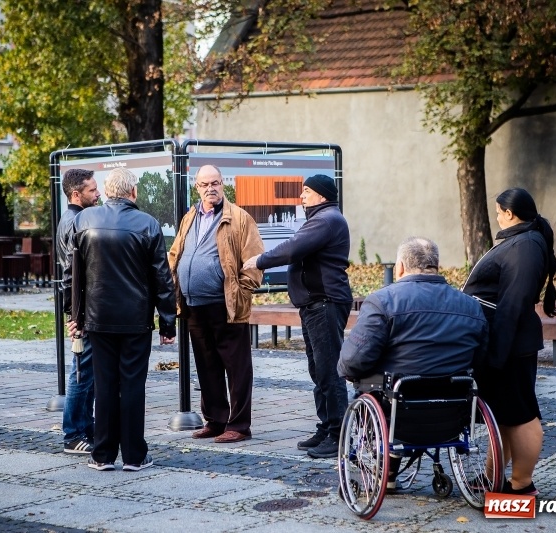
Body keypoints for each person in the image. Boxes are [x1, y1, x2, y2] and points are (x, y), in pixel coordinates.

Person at [338, 237, 488, 490]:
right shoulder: (471, 306)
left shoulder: (382, 301)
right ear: (436, 266)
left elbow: (353, 360)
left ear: (399, 267)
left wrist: (348, 372)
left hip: (397, 407)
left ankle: (386, 469)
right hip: (453, 410)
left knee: (374, 386)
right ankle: (392, 471)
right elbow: (482, 359)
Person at [64, 167, 176, 472]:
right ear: (133, 192)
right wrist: (168, 323)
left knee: (104, 385)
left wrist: (74, 316)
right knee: (132, 386)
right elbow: (162, 279)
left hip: (98, 320)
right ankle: (134, 455)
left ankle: (102, 454)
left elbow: (72, 274)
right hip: (136, 319)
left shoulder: (84, 220)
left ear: (108, 191)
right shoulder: (148, 224)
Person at [243, 174, 353, 459]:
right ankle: (327, 426)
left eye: (306, 191)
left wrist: (260, 260)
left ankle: (340, 434)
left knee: (329, 370)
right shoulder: (322, 218)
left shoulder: (327, 219)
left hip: (324, 303)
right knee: (319, 370)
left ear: (322, 195)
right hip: (315, 304)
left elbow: (293, 247)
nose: (301, 197)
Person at [462, 187, 556, 496]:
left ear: (510, 213)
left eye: (498, 212)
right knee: (502, 414)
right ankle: (494, 479)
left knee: (521, 414)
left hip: (511, 344)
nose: (497, 217)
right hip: (506, 340)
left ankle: (521, 485)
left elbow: (512, 303)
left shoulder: (525, 244)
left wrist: (496, 353)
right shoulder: (520, 241)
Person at [168, 165, 263, 444]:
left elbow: (255, 261)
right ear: (196, 188)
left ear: (223, 185)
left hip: (226, 305)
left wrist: (240, 292)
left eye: (216, 182)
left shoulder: (239, 218)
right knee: (207, 365)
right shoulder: (190, 217)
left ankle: (239, 424)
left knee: (236, 367)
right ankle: (216, 419)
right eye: (205, 184)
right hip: (194, 305)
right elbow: (175, 253)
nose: (211, 188)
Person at [57, 168, 100, 454]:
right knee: (81, 372)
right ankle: (73, 433)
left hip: (80, 308)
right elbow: (73, 275)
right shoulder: (76, 222)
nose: (98, 195)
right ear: (76, 194)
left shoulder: (70, 219)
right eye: (92, 190)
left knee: (87, 371)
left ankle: (85, 426)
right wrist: (76, 316)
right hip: (82, 310)